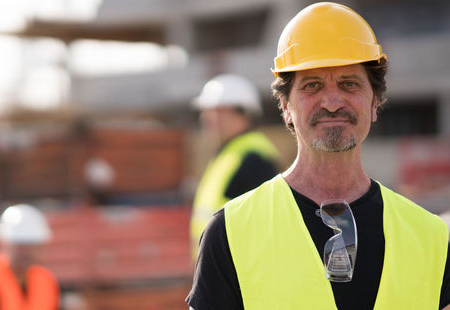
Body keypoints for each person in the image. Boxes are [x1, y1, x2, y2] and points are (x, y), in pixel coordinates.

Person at [186, 2, 450, 309]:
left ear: (375, 102)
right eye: (312, 85)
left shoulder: (431, 238)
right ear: (285, 106)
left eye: (349, 84)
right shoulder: (229, 233)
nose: (333, 102)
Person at [189, 73, 280, 260]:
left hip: (235, 272)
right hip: (218, 268)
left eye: (219, 111)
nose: (208, 118)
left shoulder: (254, 158)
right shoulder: (229, 153)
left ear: (244, 114)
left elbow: (261, 228)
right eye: (207, 111)